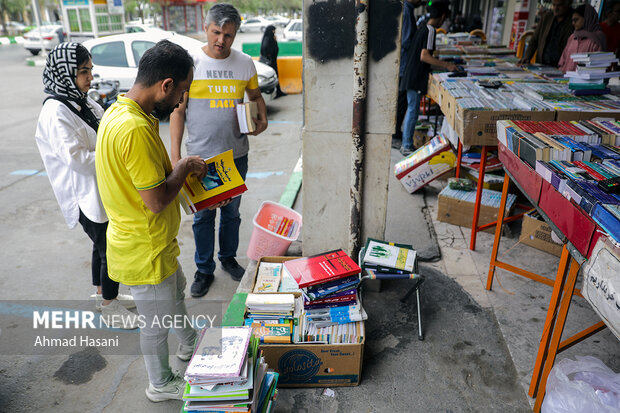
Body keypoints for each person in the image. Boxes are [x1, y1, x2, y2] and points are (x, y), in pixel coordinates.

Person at [95, 40, 218, 401]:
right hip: (143, 248)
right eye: (181, 93)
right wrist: (180, 167)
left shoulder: (121, 112)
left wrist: (179, 171)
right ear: (165, 85)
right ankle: (160, 384)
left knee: (175, 293)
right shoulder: (133, 129)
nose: (181, 103)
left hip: (154, 245)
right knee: (155, 325)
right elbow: (156, 199)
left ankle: (190, 343)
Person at [34, 42, 137, 329]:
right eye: (82, 71)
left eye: (90, 70)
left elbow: (106, 129)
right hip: (84, 194)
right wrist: (115, 155)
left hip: (102, 189)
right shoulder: (56, 111)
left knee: (100, 245)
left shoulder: (83, 100)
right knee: (110, 248)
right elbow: (77, 159)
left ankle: (102, 295)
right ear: (65, 73)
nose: (89, 77)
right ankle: (108, 306)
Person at [170, 3, 268, 298]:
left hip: (236, 156)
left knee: (232, 213)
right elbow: (178, 111)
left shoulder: (245, 63)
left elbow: (255, 97)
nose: (221, 40)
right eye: (216, 32)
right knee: (202, 217)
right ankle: (204, 268)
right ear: (206, 27)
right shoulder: (191, 64)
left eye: (228, 34)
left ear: (235, 33)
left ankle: (228, 258)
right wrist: (176, 158)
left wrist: (261, 120)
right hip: (200, 158)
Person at [399, 1, 457, 156]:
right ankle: (406, 145)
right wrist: (447, 65)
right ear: (443, 16)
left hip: (410, 74)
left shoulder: (423, 27)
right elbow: (424, 56)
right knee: (413, 111)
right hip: (416, 76)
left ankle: (406, 143)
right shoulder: (431, 30)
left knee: (412, 109)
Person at [393, 0, 424, 150]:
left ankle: (396, 134)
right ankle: (395, 135)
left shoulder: (408, 10)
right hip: (404, 64)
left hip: (404, 63)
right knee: (401, 101)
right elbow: (405, 41)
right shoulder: (406, 11)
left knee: (402, 100)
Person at [519, 0, 574, 66]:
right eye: (554, 5)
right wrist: (527, 58)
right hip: (541, 63)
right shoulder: (547, 17)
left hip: (561, 65)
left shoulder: (573, 20)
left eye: (559, 5)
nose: (555, 8)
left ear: (568, 5)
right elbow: (534, 39)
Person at [558, 4, 606, 73]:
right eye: (572, 20)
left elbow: (597, 67)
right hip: (565, 80)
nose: (573, 23)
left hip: (584, 82)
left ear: (587, 18)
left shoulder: (596, 39)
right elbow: (562, 61)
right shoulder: (573, 37)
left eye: (576, 20)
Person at [260, 25, 286, 98]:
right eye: (273, 31)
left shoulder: (269, 38)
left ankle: (278, 92)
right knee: (274, 77)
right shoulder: (268, 39)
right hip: (271, 62)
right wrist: (269, 55)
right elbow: (266, 49)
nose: (274, 32)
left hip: (272, 61)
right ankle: (277, 92)